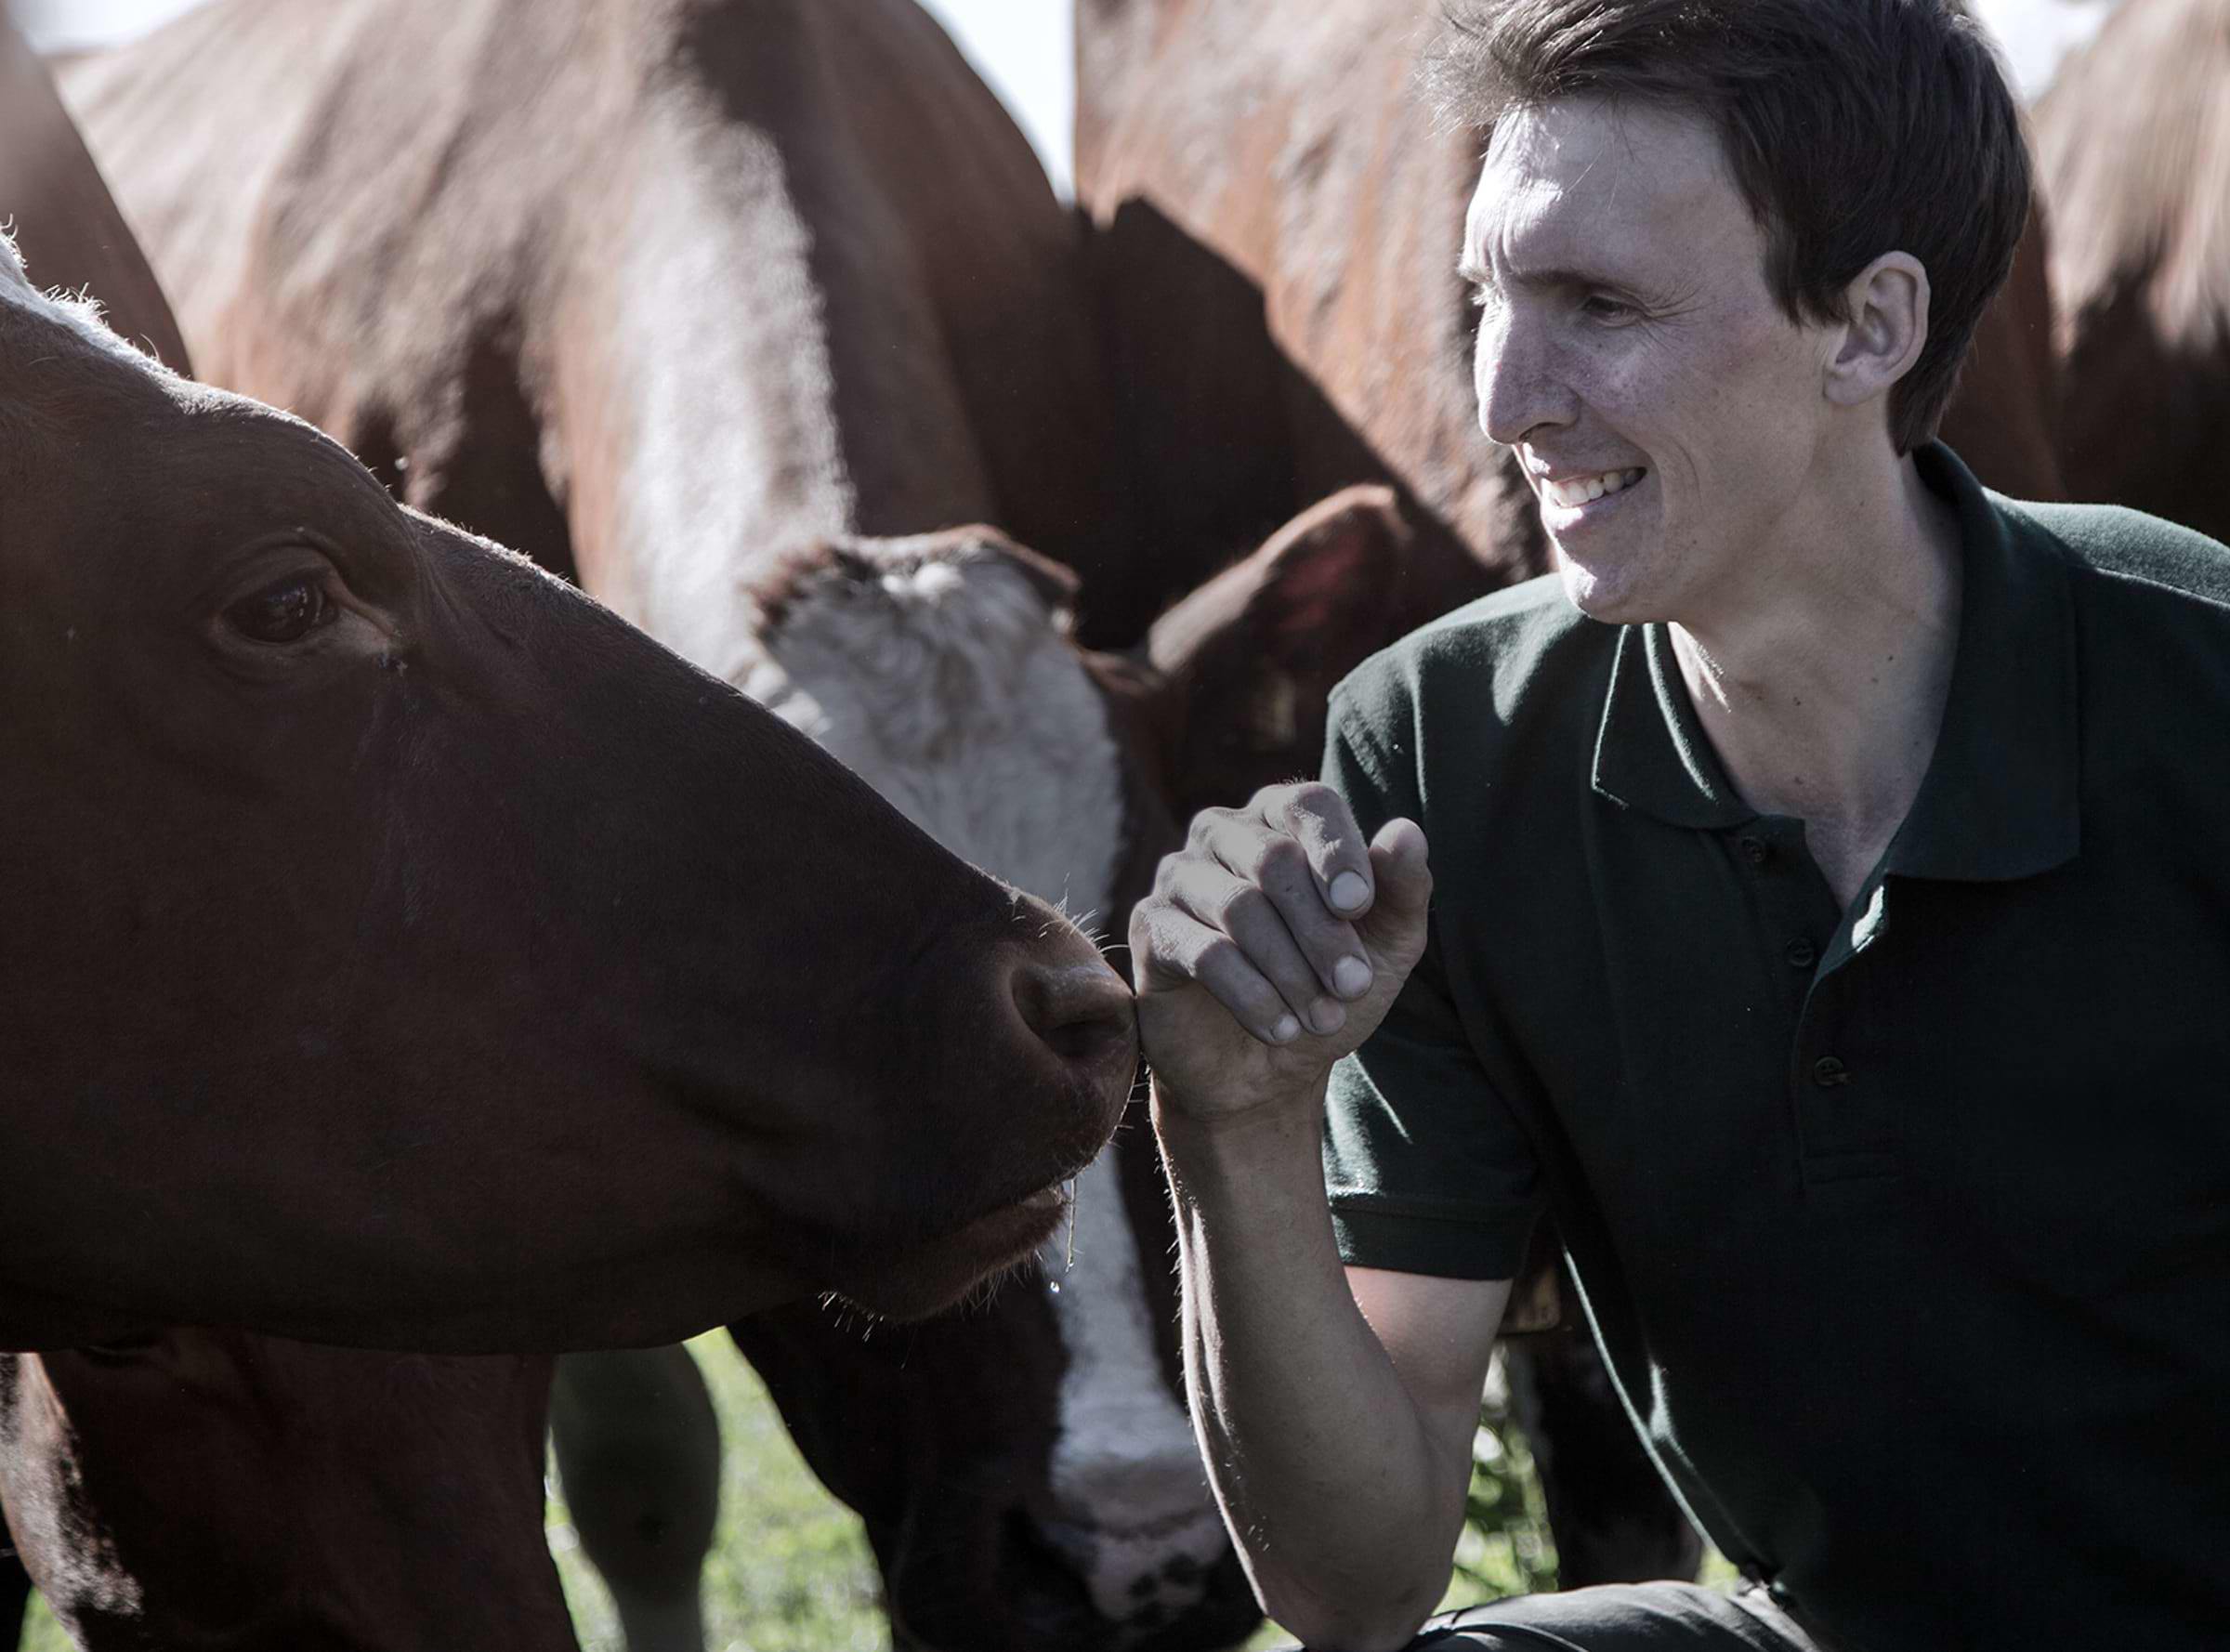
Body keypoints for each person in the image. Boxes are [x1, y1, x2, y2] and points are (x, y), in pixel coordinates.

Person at [1128, 2, 2230, 1649]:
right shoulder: (1435, 754)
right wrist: (1233, 1126)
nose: (1506, 394)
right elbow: (1355, 1588)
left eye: (1601, 305)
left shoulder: (2198, 674)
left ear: (1868, 327)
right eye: (1485, 298)